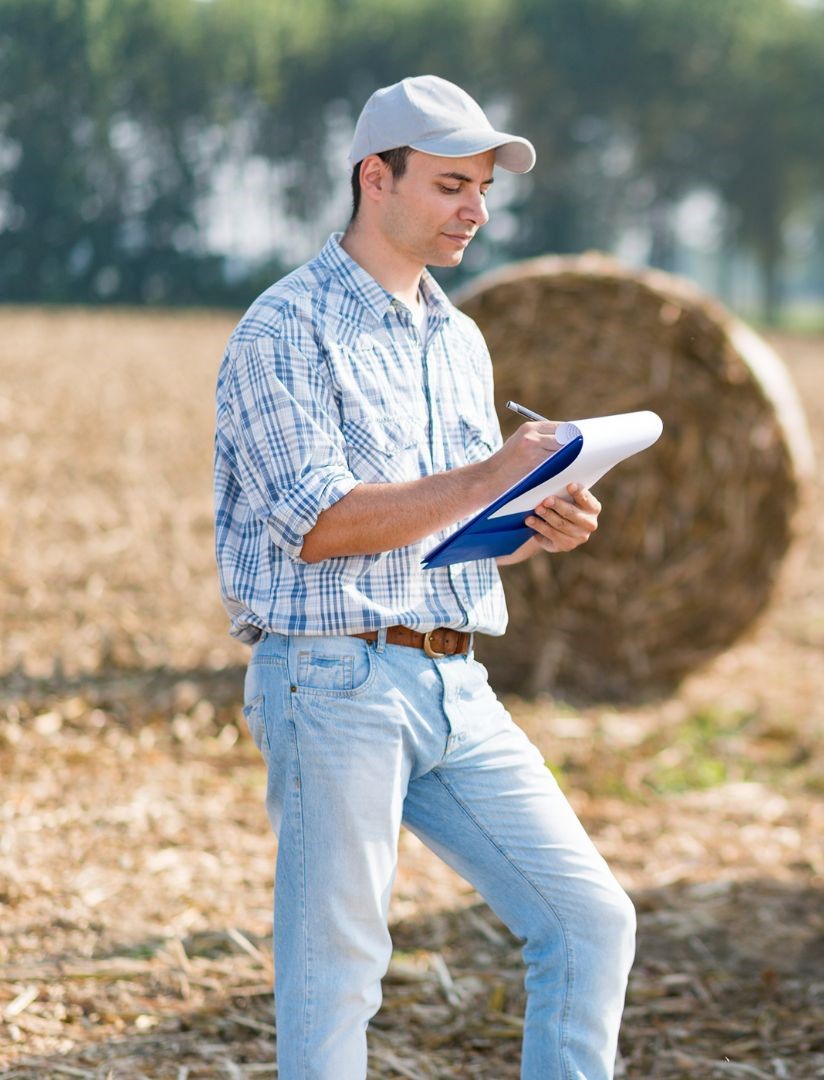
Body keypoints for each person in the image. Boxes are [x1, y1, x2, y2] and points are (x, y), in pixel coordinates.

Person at [211, 75, 635, 1079]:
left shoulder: (457, 334)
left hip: (456, 681)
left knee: (588, 921)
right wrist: (494, 471)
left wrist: (533, 523)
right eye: (451, 185)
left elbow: (447, 523)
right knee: (338, 975)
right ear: (375, 177)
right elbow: (319, 523)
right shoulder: (287, 329)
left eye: (482, 189)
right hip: (332, 680)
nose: (476, 211)